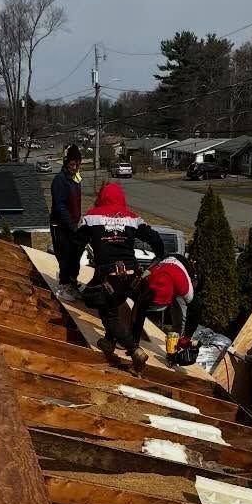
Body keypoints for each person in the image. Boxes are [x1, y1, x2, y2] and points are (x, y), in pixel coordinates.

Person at [76, 181, 164, 370]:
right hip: (131, 275)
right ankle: (109, 342)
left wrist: (69, 273)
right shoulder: (132, 218)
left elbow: (75, 245)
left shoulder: (90, 217)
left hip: (108, 275)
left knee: (108, 313)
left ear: (101, 198)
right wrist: (160, 254)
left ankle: (134, 350)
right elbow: (154, 238)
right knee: (115, 302)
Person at [131, 252, 198, 364]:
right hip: (160, 272)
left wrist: (187, 336)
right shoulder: (146, 279)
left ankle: (173, 352)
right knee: (140, 308)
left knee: (180, 317)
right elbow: (139, 310)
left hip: (179, 272)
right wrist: (134, 343)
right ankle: (133, 338)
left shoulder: (184, 286)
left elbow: (196, 310)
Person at [49, 144, 84, 301]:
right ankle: (63, 287)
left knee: (74, 257)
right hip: (60, 226)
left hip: (73, 225)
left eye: (77, 164)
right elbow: (60, 206)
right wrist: (71, 225)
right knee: (64, 257)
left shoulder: (75, 179)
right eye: (72, 164)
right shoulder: (60, 180)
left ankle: (72, 284)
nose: (75, 168)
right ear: (66, 163)